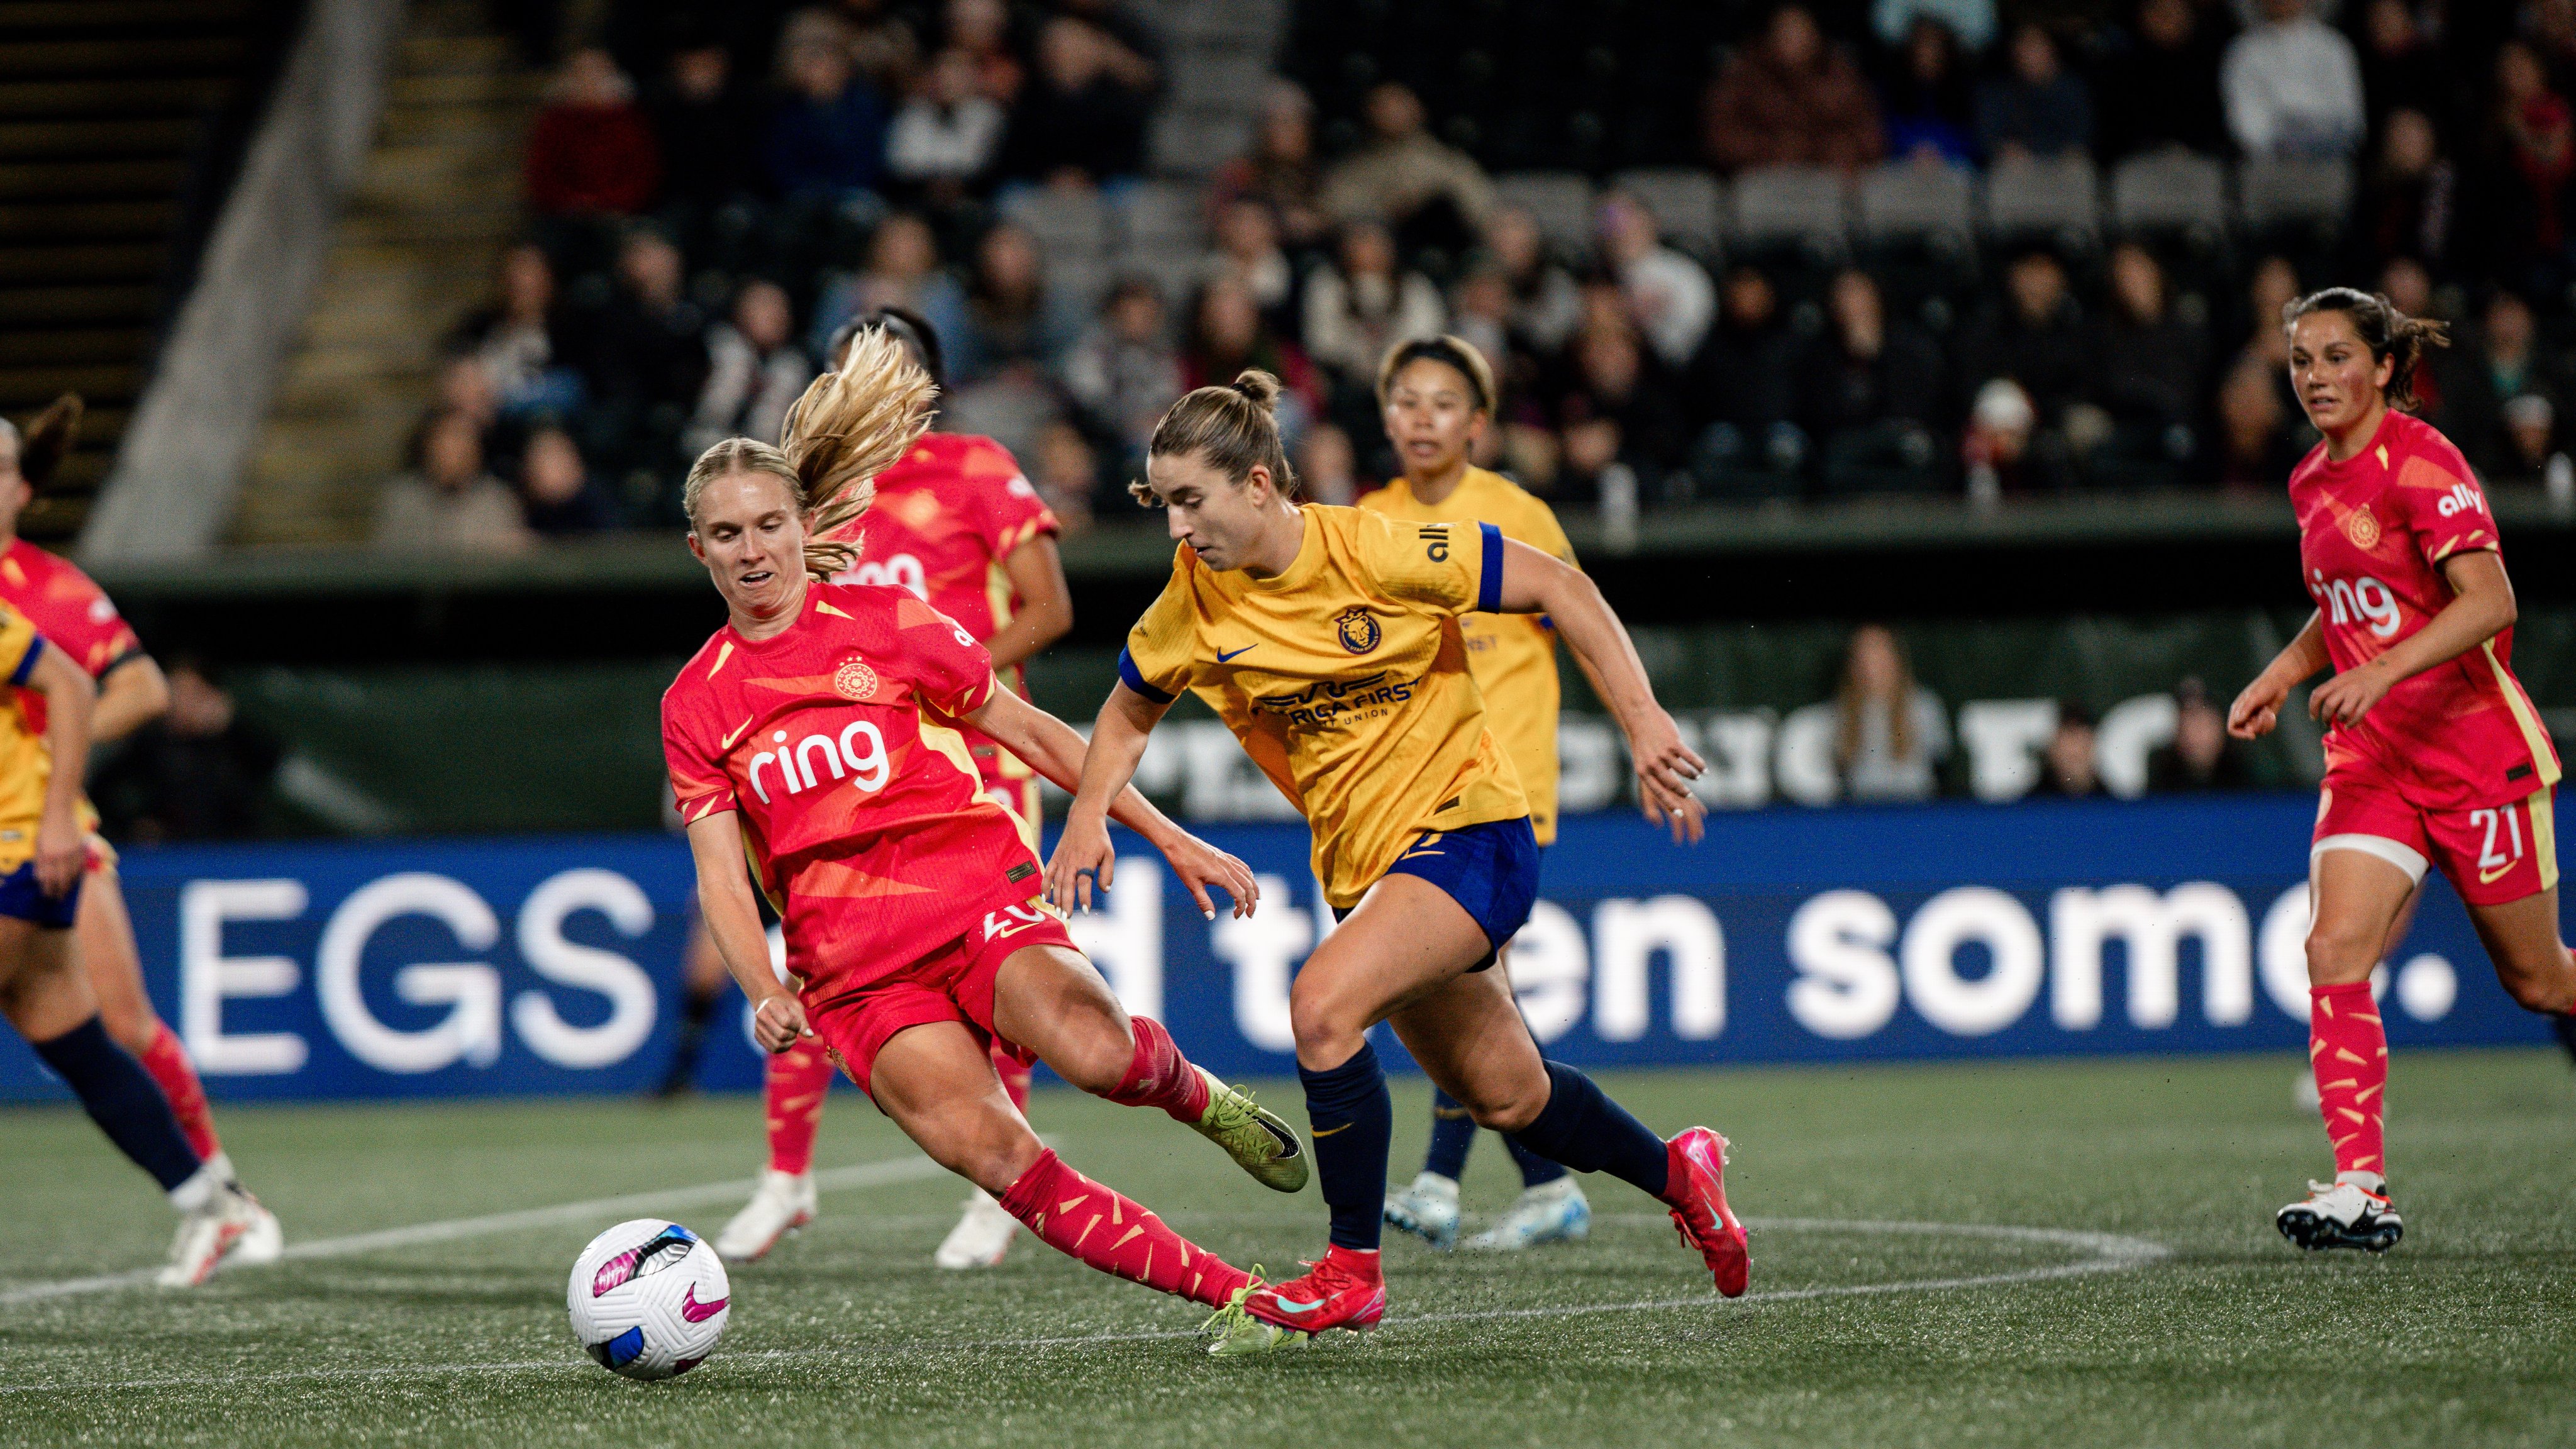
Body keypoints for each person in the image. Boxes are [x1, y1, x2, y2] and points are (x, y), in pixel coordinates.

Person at [1049, 370, 1747, 1352]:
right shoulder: (1194, 600)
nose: (1175, 527)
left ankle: (1350, 1274)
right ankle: (1683, 1174)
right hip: (1369, 869)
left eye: (1190, 501)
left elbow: (1560, 584)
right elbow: (1127, 710)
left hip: (1474, 831)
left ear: (1257, 485)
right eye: (1162, 504)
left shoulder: (1376, 546)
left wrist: (1641, 721)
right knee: (1510, 1095)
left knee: (1323, 1008)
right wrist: (1089, 817)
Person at [663, 333, 1307, 1348]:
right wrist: (764, 988)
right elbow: (723, 878)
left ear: (804, 525)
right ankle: (1247, 1298)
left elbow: (1038, 732)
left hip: (972, 895)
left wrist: (1170, 837)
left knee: (1098, 1055)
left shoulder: (890, 620)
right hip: (856, 976)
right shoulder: (696, 703)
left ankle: (1199, 1096)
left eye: (769, 524)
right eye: (728, 532)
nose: (754, 551)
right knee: (1005, 1163)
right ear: (699, 548)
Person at [713, 309, 1082, 1270]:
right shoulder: (811, 499)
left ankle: (997, 1189)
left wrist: (943, 685)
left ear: (928, 383)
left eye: (889, 370)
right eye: (846, 372)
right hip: (843, 771)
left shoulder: (976, 469)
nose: (865, 390)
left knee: (1000, 975)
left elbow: (1051, 608)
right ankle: (785, 1179)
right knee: (810, 964)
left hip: (977, 762)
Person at [2226, 288, 2576, 1253]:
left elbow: (2491, 601)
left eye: (2337, 358)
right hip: (2375, 760)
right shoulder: (2310, 482)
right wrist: (2285, 672)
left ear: (2384, 367)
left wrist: (2380, 669)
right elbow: (2341, 603)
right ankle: (2358, 1188)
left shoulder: (2425, 464)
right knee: (2334, 949)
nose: (2315, 379)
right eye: (2301, 362)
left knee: (2541, 983)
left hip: (2474, 754)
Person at [0, 400, 280, 1270]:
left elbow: (129, 690)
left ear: (23, 488)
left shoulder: (47, 588)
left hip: (34, 836)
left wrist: (52, 784)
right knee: (69, 1027)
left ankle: (225, 1196)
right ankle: (213, 1199)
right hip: (33, 838)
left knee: (122, 1025)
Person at [1358, 338, 1590, 1253]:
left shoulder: (1515, 513)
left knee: (1459, 976)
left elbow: (1575, 613)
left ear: (1477, 424)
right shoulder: (1366, 519)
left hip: (1503, 785)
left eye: (1443, 403)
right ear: (1385, 417)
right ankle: (1544, 1182)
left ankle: (1443, 1183)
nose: (1422, 417)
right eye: (1406, 400)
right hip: (1410, 785)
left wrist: (1642, 728)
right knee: (1470, 985)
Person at [1701, 3, 1884, 175]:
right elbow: (1721, 140)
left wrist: (1818, 151)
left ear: (1816, 34)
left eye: (1800, 30)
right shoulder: (1743, 76)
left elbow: (1870, 140)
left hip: (1831, 188)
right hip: (1758, 187)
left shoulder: (1842, 76)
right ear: (1770, 35)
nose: (1793, 39)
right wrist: (1774, 150)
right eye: (1785, 31)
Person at [2220, 0, 2364, 161]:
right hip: (2268, 168)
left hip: (2330, 163)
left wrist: (2314, 141)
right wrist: (2282, 145)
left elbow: (2350, 116)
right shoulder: (2243, 52)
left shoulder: (2334, 47)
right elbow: (2245, 124)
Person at [375, 408, 535, 552]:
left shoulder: (497, 501)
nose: (454, 452)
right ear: (428, 448)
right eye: (446, 444)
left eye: (464, 443)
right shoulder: (403, 500)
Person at [1833, 625, 1948, 802]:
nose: (1871, 664)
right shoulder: (1842, 711)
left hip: (1915, 812)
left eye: (1879, 652)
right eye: (1863, 655)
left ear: (1896, 658)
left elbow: (1941, 764)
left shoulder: (1924, 706)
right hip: (1863, 815)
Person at [1975, 22, 2091, 161]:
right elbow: (1989, 134)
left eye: (2037, 46)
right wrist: (2004, 147)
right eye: (2025, 47)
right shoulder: (1999, 91)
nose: (2031, 54)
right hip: (2020, 162)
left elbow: (2085, 131)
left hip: (2063, 160)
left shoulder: (2072, 88)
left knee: (2079, 168)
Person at [2146, 678, 2250, 792]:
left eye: (2205, 723)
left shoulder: (2251, 783)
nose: (2196, 734)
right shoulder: (2160, 783)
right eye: (2188, 723)